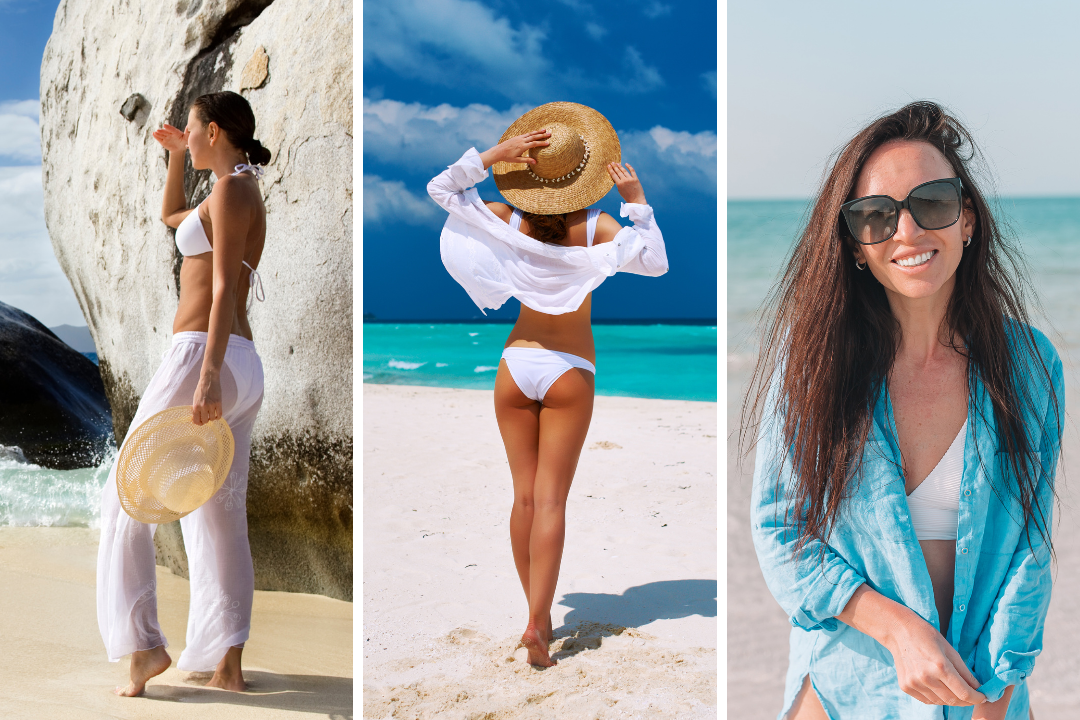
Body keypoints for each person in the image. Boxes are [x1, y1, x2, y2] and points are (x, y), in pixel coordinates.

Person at [745, 101, 1062, 720]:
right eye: (876, 216)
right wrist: (898, 631)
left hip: (980, 692)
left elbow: (1031, 548)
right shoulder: (812, 363)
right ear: (856, 245)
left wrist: (994, 696)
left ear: (967, 219)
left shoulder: (1029, 364)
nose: (908, 232)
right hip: (845, 688)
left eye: (934, 203)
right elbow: (781, 532)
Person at [427, 102, 669, 666]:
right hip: (569, 368)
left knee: (524, 498)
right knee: (553, 501)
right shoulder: (596, 228)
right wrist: (636, 203)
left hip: (515, 364)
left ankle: (535, 618)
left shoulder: (503, 218)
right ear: (582, 174)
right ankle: (539, 624)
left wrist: (493, 156)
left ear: (526, 174)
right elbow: (654, 262)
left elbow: (441, 189)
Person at [96, 90, 270, 696]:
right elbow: (173, 219)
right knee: (220, 517)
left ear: (215, 131)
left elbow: (221, 290)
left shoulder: (228, 191)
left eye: (191, 132)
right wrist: (173, 157)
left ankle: (144, 647)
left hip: (204, 354)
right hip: (243, 362)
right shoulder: (240, 188)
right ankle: (228, 663)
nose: (188, 138)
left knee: (124, 493)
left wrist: (205, 376)